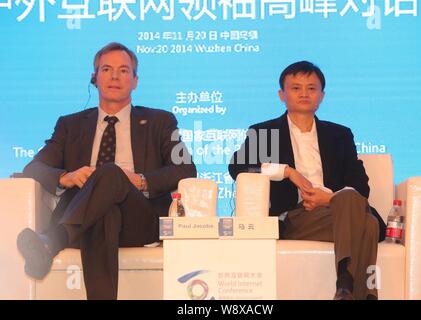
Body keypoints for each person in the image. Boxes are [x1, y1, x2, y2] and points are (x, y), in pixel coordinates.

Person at [16, 42, 196, 300]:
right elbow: (33, 167)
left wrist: (141, 181)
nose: (114, 76)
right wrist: (65, 177)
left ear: (135, 80)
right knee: (106, 212)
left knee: (111, 173)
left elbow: (186, 169)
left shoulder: (160, 121)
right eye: (106, 69)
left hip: (140, 220)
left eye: (124, 70)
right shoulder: (71, 125)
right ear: (94, 77)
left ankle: (51, 241)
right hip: (90, 219)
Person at [229, 61, 386, 300]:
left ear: (322, 95)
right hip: (294, 216)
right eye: (296, 88)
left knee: (355, 204)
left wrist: (330, 199)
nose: (304, 93)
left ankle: (345, 287)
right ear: (282, 94)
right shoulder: (264, 132)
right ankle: (363, 292)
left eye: (312, 88)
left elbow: (360, 186)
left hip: (337, 211)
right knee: (368, 225)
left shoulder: (340, 135)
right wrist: (287, 172)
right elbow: (237, 167)